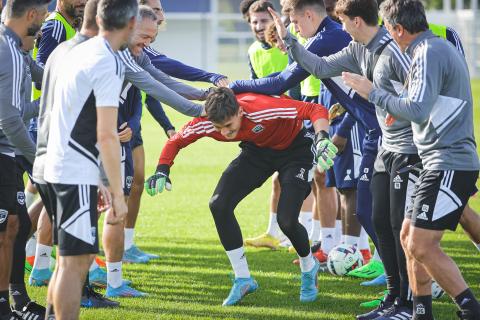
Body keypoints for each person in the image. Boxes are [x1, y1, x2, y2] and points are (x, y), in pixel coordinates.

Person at [343, 0, 480, 318]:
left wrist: (373, 92)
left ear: (398, 29)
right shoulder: (425, 51)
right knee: (407, 237)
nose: (386, 37)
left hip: (449, 160)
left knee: (420, 244)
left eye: (388, 30)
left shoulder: (428, 52)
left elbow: (416, 109)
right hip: (435, 159)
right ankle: (420, 311)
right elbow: (419, 103)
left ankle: (469, 307)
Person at [146, 87, 337, 305]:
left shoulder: (260, 108)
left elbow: (315, 108)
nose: (225, 132)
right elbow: (176, 140)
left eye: (228, 126)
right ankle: (243, 278)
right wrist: (162, 169)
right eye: (219, 127)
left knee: (287, 220)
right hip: (257, 151)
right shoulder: (209, 120)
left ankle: (308, 266)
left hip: (295, 151)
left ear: (240, 112)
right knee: (219, 205)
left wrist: (322, 138)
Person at [42, 0, 137, 317]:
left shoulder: (77, 51)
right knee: (75, 263)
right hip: (74, 170)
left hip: (60, 165)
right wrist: (117, 194)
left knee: (68, 260)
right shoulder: (104, 60)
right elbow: (107, 134)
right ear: (132, 22)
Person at [121, 0, 230, 263]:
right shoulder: (119, 54)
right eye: (145, 35)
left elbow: (164, 80)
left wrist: (207, 94)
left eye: (152, 37)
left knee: (115, 201)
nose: (148, 42)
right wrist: (202, 111)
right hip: (98, 135)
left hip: (118, 132)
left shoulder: (137, 53)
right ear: (130, 24)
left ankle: (104, 269)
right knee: (101, 206)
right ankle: (46, 261)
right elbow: (156, 88)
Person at [29, 0, 90, 289]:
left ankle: (39, 264)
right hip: (48, 123)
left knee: (48, 198)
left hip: (55, 122)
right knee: (54, 198)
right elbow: (42, 75)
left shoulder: (68, 25)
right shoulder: (55, 26)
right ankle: (37, 261)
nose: (82, 1)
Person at [0, 1, 49, 319]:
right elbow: (11, 119)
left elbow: (17, 110)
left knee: (17, 224)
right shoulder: (9, 50)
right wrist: (37, 161)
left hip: (8, 152)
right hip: (6, 150)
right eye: (43, 15)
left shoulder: (17, 51)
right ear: (31, 15)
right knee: (8, 228)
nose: (44, 22)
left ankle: (13, 298)